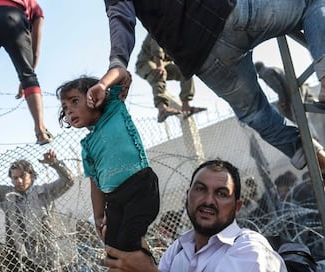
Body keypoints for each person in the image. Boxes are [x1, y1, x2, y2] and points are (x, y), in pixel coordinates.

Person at [89, 0, 325, 174]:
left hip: (203, 59)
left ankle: (305, 150)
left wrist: (117, 63)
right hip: (226, 14)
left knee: (254, 112)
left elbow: (120, 16)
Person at [104, 159, 288, 272]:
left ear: (237, 206)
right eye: (200, 189)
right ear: (187, 196)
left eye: (221, 194)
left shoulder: (249, 249)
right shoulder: (179, 249)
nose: (208, 201)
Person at [56, 76, 160, 254]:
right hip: (114, 201)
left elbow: (121, 73)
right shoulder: (87, 147)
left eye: (74, 101)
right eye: (65, 108)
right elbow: (96, 184)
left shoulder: (114, 109)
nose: (69, 111)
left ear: (94, 97)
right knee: (112, 247)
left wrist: (102, 85)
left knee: (130, 241)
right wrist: (97, 215)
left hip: (139, 188)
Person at [0, 139, 74, 271]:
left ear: (31, 175)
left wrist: (56, 164)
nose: (18, 181)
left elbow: (68, 181)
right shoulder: (6, 195)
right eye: (14, 177)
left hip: (45, 254)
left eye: (22, 176)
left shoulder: (43, 192)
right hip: (20, 256)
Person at [0, 0, 53, 167]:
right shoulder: (35, 8)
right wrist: (27, 75)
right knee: (28, 76)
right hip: (12, 11)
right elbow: (35, 49)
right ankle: (41, 130)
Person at [135, 34, 206, 122]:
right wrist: (159, 65)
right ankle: (162, 109)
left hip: (165, 63)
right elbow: (156, 45)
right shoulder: (160, 27)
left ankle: (186, 106)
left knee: (185, 72)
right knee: (159, 73)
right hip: (146, 62)